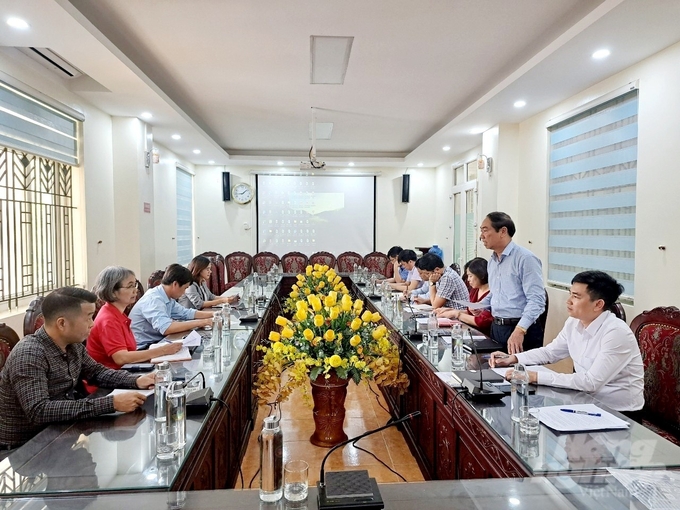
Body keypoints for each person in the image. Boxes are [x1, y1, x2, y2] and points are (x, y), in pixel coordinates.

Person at [0, 287, 154, 451]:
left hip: (61, 433)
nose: (92, 324)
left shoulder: (72, 344)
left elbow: (97, 372)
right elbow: (40, 410)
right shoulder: (29, 354)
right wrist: (111, 404)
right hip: (24, 449)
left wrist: (136, 380)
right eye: (88, 318)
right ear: (62, 323)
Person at [489, 271, 644, 414]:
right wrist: (514, 358)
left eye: (576, 297)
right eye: (570, 294)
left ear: (598, 304)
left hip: (618, 412)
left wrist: (535, 376)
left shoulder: (616, 332)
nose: (568, 301)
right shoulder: (574, 322)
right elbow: (551, 352)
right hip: (584, 401)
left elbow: (591, 382)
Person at [85, 266, 182, 391]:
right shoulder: (108, 319)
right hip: (107, 386)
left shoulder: (118, 313)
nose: (135, 290)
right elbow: (121, 358)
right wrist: (163, 350)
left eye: (135, 285)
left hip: (126, 373)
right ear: (113, 291)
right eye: (130, 286)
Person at [478, 211, 546, 354]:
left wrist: (520, 330)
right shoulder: (492, 261)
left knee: (518, 374)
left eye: (485, 230)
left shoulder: (525, 259)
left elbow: (537, 300)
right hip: (497, 327)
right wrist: (481, 305)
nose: (481, 237)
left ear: (503, 231)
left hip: (520, 330)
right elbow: (496, 294)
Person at [129, 264, 214, 349]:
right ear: (175, 284)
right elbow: (166, 328)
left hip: (159, 342)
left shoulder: (166, 296)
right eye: (184, 288)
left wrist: (215, 314)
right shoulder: (154, 299)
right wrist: (201, 322)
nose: (184, 292)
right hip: (144, 348)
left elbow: (186, 313)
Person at [436, 257, 493, 336]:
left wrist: (457, 314)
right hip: (471, 332)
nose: (468, 280)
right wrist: (450, 311)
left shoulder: (492, 294)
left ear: (481, 275)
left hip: (485, 335)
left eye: (470, 276)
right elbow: (471, 313)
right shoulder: (474, 290)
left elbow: (482, 321)